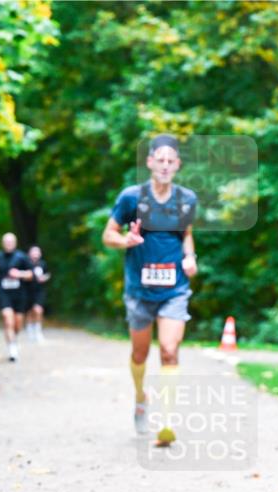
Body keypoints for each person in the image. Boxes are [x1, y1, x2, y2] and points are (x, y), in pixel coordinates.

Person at [102, 134, 198, 437]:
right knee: (140, 353)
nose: (166, 166)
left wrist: (190, 257)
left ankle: (167, 421)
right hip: (139, 289)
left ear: (178, 165)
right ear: (150, 162)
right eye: (161, 160)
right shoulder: (131, 197)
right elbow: (108, 235)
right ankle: (141, 397)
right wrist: (125, 240)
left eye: (171, 161)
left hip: (174, 288)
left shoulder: (186, 199)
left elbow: (187, 235)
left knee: (169, 350)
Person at [0, 233, 32, 362]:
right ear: (2, 243)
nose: (8, 244)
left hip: (19, 294)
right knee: (7, 319)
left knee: (17, 324)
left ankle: (14, 340)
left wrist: (19, 274)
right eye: (6, 242)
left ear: (15, 243)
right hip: (3, 292)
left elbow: (30, 274)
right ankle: (12, 348)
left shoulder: (21, 257)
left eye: (11, 242)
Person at [25, 245, 51, 342]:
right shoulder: (26, 264)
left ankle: (38, 331)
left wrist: (44, 278)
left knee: (38, 310)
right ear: (29, 254)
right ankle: (30, 331)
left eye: (37, 252)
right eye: (33, 252)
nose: (35, 254)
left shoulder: (43, 264)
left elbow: (48, 274)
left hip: (39, 291)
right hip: (27, 291)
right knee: (29, 312)